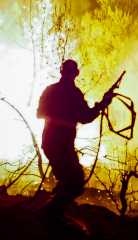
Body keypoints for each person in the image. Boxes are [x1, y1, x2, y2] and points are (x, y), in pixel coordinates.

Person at [36, 59, 113, 230]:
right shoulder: (74, 93)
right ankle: (49, 213)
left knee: (65, 180)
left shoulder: (50, 90)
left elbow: (39, 113)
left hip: (49, 142)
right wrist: (103, 103)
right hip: (62, 145)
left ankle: (53, 217)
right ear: (76, 73)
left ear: (61, 71)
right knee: (76, 182)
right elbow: (86, 117)